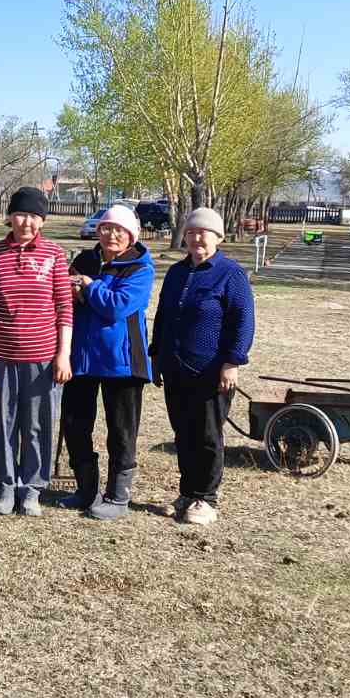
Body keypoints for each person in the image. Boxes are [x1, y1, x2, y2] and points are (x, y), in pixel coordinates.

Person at [150, 206, 255, 527]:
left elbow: (243, 321)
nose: (197, 238)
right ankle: (187, 491)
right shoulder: (177, 272)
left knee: (207, 435)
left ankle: (206, 498)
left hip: (211, 371)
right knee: (183, 433)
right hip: (176, 367)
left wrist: (232, 361)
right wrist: (156, 355)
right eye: (191, 232)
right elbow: (164, 316)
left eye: (204, 233)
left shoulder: (230, 273)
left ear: (218, 237)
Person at [0, 187, 72, 518]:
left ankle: (32, 488)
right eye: (21, 214)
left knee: (36, 426)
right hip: (0, 357)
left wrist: (63, 354)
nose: (26, 222)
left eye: (33, 216)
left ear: (41, 220)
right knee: (3, 423)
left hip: (42, 358)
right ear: (10, 216)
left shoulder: (54, 254)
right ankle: (6, 485)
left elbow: (63, 306)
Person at [59, 203, 154, 521]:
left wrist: (89, 287)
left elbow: (118, 306)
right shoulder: (85, 259)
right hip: (82, 358)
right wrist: (79, 291)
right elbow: (66, 296)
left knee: (121, 431)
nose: (111, 234)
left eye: (119, 230)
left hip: (123, 363)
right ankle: (86, 489)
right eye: (105, 227)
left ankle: (117, 495)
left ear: (131, 235)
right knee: (74, 425)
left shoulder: (140, 267)